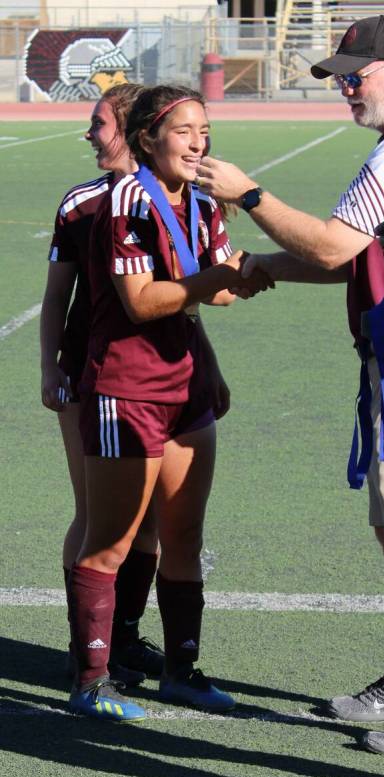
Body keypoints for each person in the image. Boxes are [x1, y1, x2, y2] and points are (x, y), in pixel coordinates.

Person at [196, 15, 384, 755]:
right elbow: (346, 260)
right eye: (340, 77)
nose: (346, 89)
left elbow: (330, 243)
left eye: (355, 74)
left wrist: (249, 193)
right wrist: (263, 264)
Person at [67, 84, 269, 721]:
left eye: (204, 130)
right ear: (149, 137)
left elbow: (222, 292)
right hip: (126, 390)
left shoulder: (201, 201)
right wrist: (223, 277)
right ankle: (92, 679)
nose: (199, 141)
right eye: (184, 130)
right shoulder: (128, 199)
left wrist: (256, 267)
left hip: (185, 392)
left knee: (184, 535)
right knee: (113, 539)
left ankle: (181, 670)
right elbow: (144, 301)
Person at [40, 83, 165, 685]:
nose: (89, 135)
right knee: (95, 516)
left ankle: (124, 637)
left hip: (157, 379)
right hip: (90, 377)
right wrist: (50, 367)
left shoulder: (170, 197)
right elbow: (55, 299)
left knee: (149, 522)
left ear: (131, 128)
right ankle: (83, 646)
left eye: (98, 124)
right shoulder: (82, 203)